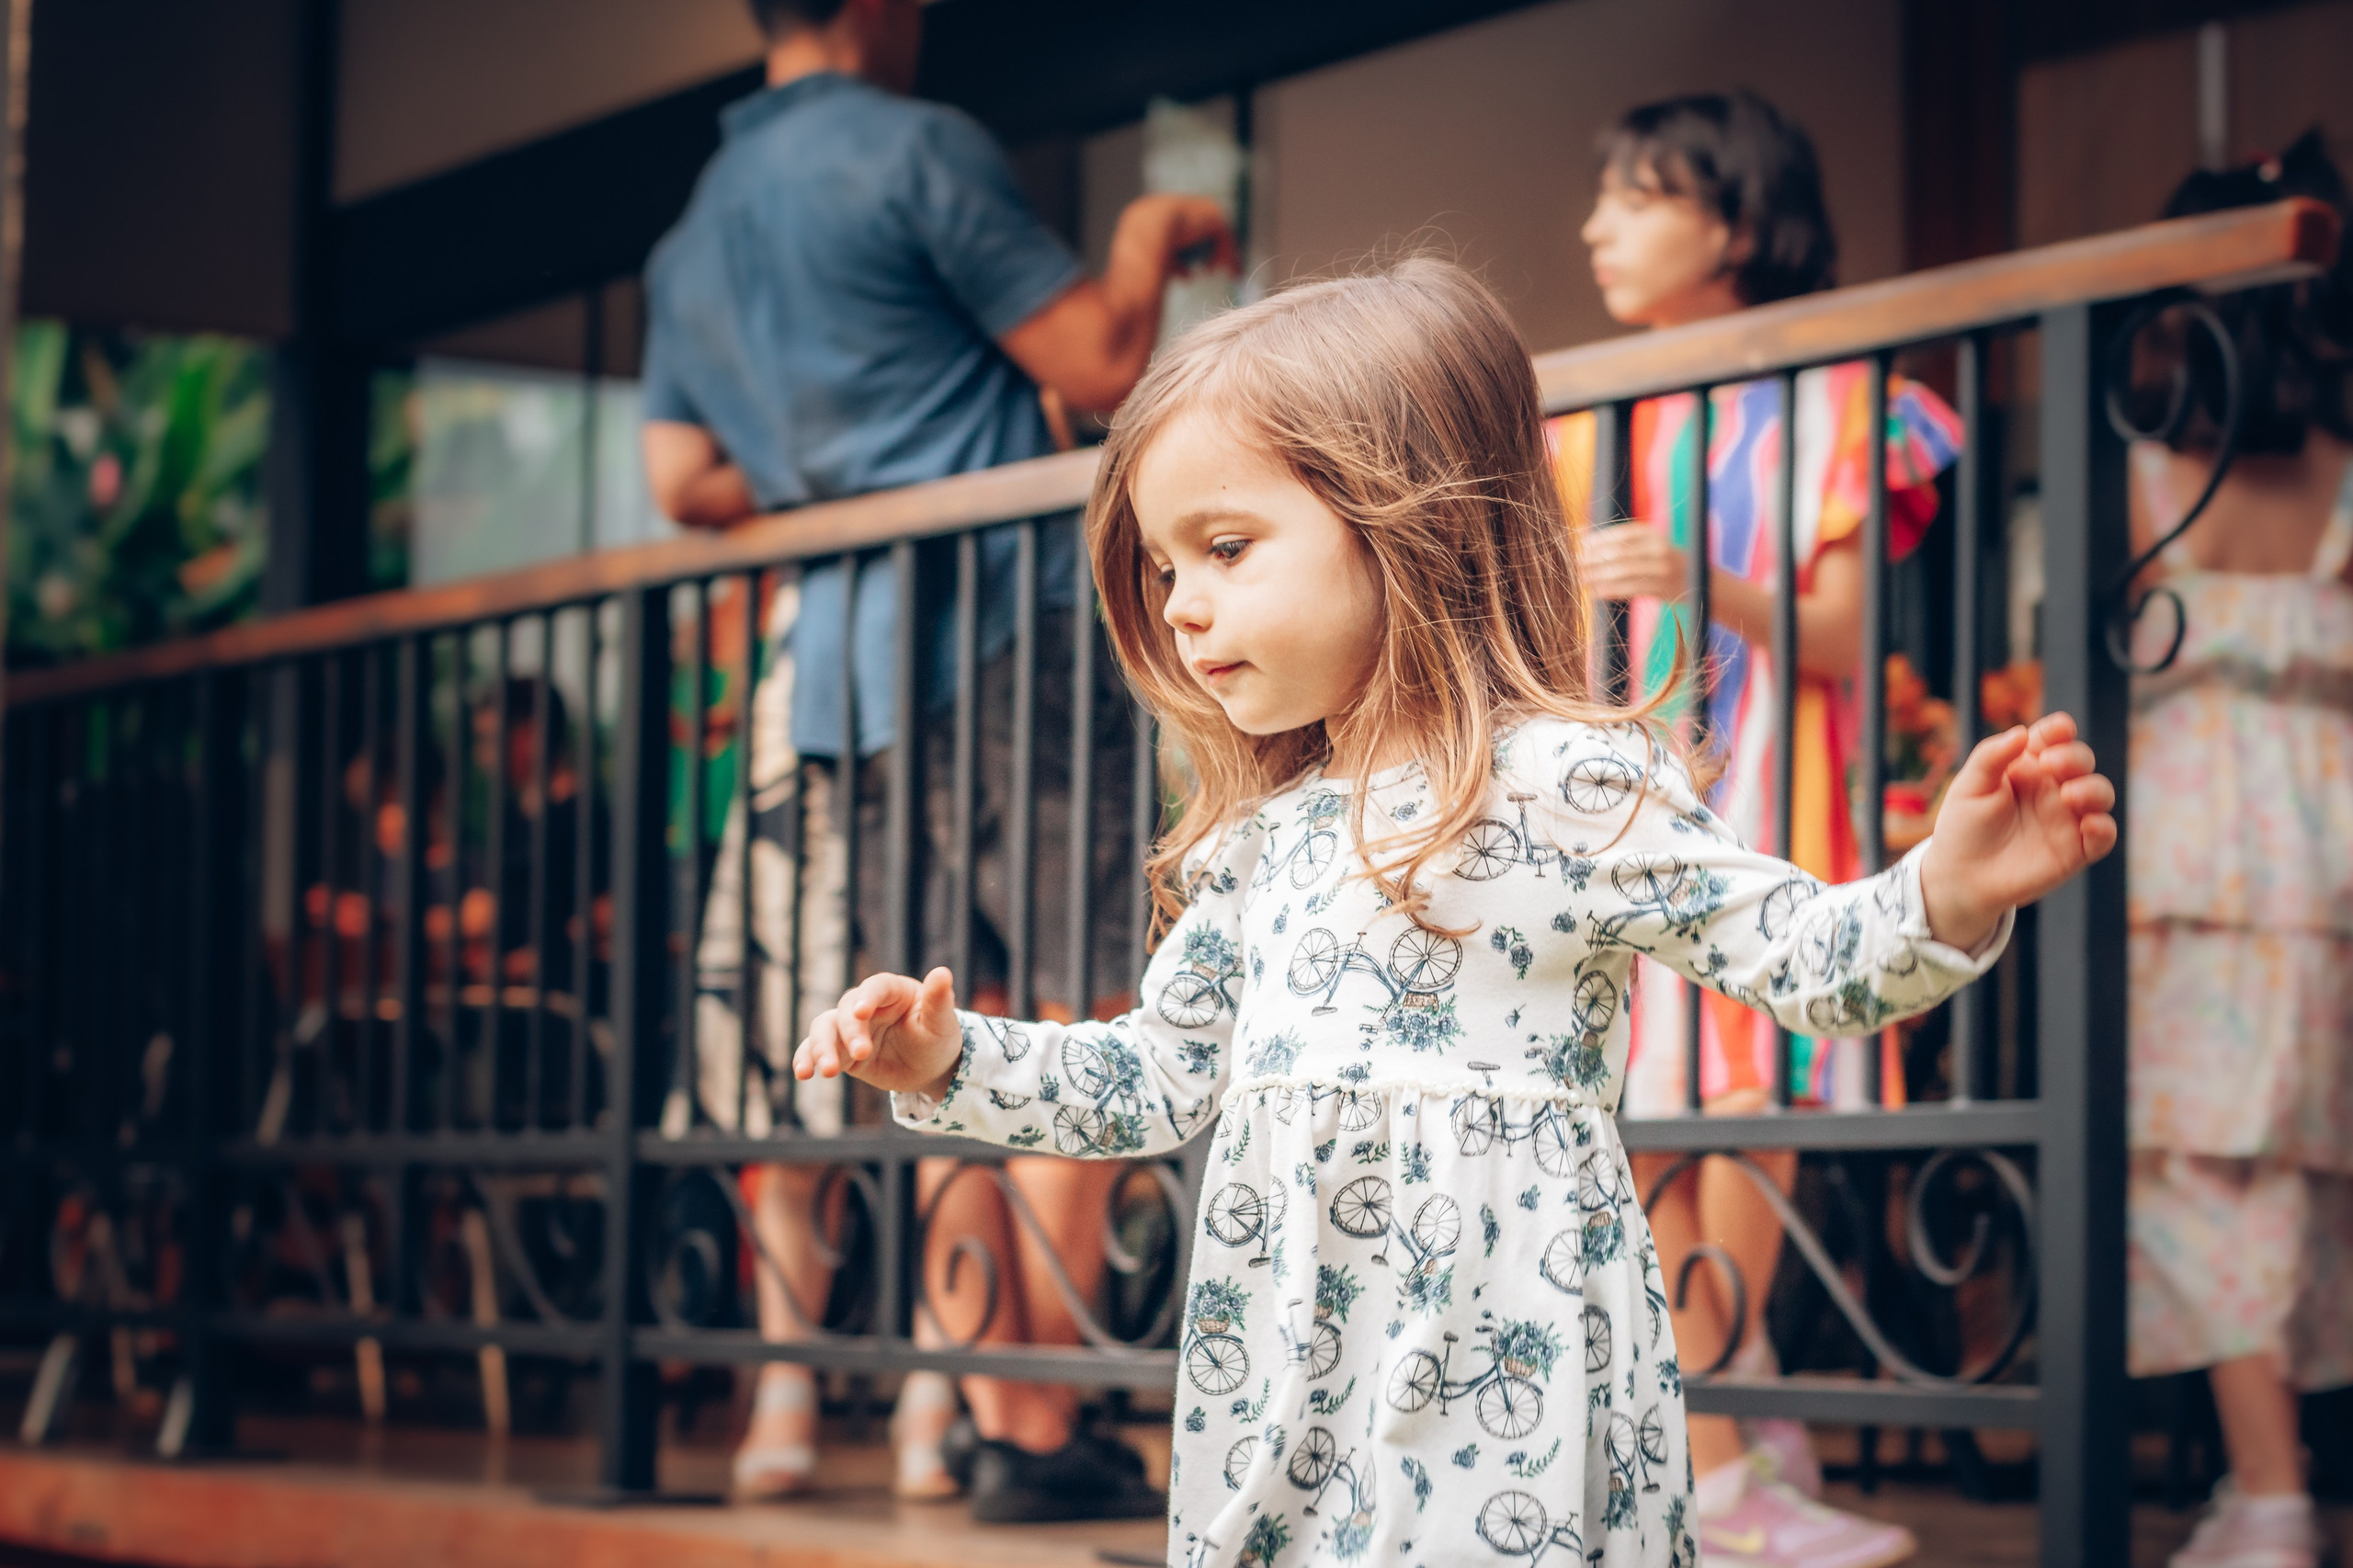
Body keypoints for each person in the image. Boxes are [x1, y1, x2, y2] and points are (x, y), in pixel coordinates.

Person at [789, 258, 2116, 1567]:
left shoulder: (1572, 783)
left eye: (1226, 547)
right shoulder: (1262, 841)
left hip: (1508, 1390)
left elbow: (1806, 961)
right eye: (1163, 566)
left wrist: (1948, 888)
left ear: (1408, 520)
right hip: (1289, 1400)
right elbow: (1153, 1077)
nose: (1181, 606)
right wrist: (951, 1059)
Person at [636, 0, 1233, 1515]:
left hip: (856, 674)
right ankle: (1039, 1426)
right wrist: (1149, 236)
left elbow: (680, 475)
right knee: (1077, 1004)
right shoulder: (916, 151)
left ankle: (998, 1418)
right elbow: (1100, 360)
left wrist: (832, 471)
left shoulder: (694, 232)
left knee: (943, 1031)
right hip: (1011, 637)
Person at [1556, 90, 1961, 1565]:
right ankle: (1717, 1462)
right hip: (1625, 813)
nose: (1595, 226)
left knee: (1748, 1108)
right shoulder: (1579, 415)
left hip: (1776, 807)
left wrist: (1697, 580)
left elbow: (1847, 632)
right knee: (1658, 1115)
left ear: (1734, 221)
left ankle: (1716, 1447)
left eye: (1637, 195)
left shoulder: (1840, 392)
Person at [2123, 131, 2353, 1568]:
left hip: (2194, 855)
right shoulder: (2343, 477)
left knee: (2202, 1173)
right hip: (2328, 859)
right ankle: (2272, 1481)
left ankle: (2270, 1494)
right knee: (2301, 1167)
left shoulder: (2153, 475)